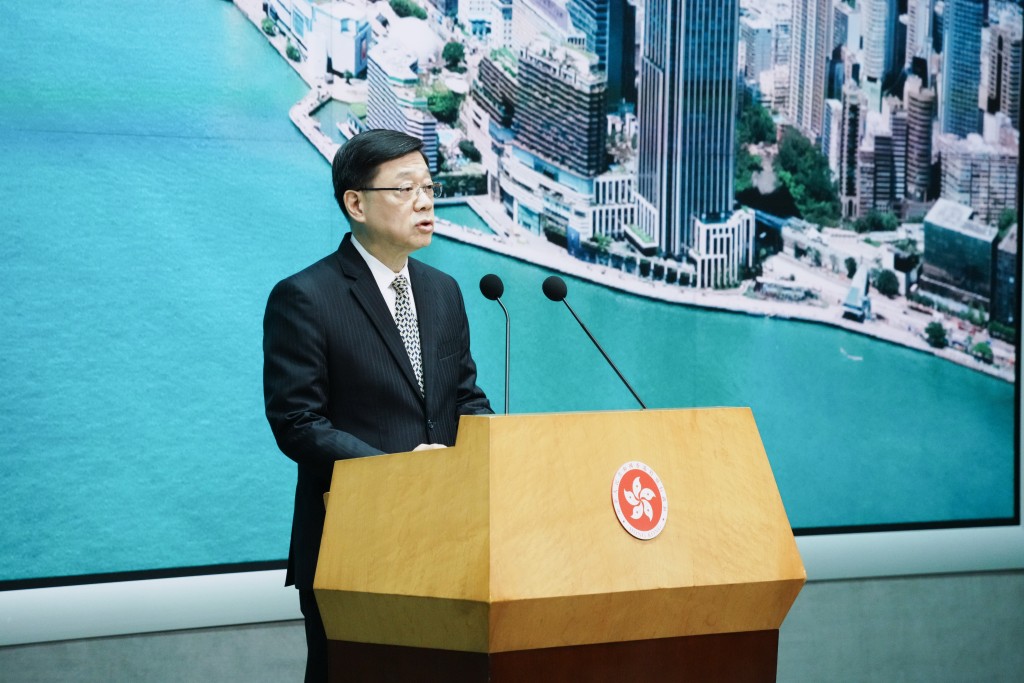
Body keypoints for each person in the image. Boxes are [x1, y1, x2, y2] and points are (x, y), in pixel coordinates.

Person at [262, 129, 492, 682]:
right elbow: (298, 423)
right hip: (354, 544)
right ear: (356, 203)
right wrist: (399, 473)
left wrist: (493, 454)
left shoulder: (443, 291)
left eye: (429, 188)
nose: (425, 202)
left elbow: (464, 398)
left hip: (448, 540)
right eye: (405, 188)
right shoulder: (305, 296)